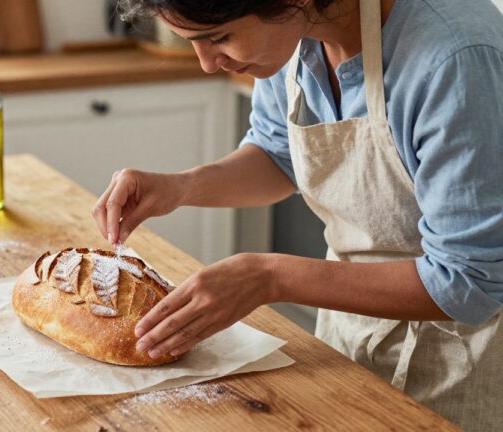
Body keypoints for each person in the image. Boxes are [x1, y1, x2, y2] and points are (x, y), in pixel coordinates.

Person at [92, 0, 503, 429]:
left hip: (461, 362)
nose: (209, 65)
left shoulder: (455, 56)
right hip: (345, 341)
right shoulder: (294, 36)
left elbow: (467, 282)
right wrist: (180, 187)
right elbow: (278, 156)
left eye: (218, 38)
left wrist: (269, 277)